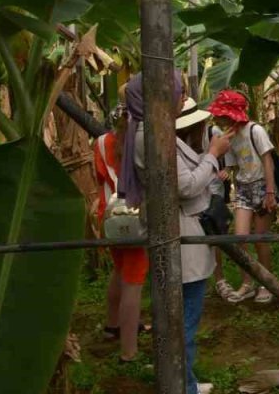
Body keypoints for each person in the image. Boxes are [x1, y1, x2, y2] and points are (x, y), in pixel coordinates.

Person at [124, 73, 232, 394]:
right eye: (177, 92)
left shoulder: (155, 132)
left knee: (181, 317)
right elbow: (185, 186)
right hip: (181, 234)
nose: (181, 98)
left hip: (184, 230)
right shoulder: (153, 136)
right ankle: (182, 386)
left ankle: (186, 381)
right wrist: (212, 154)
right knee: (183, 319)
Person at [208, 90, 278, 304]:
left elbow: (268, 161)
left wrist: (270, 191)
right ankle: (247, 283)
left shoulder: (255, 130)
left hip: (261, 187)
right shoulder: (227, 135)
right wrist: (225, 172)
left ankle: (266, 283)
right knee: (240, 238)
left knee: (260, 239)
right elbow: (232, 163)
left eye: (222, 115)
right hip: (242, 188)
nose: (218, 119)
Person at [95, 100, 150, 362]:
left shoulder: (101, 143)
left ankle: (112, 325)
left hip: (108, 218)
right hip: (133, 217)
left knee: (120, 270)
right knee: (133, 281)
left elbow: (100, 181)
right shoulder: (140, 145)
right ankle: (129, 351)